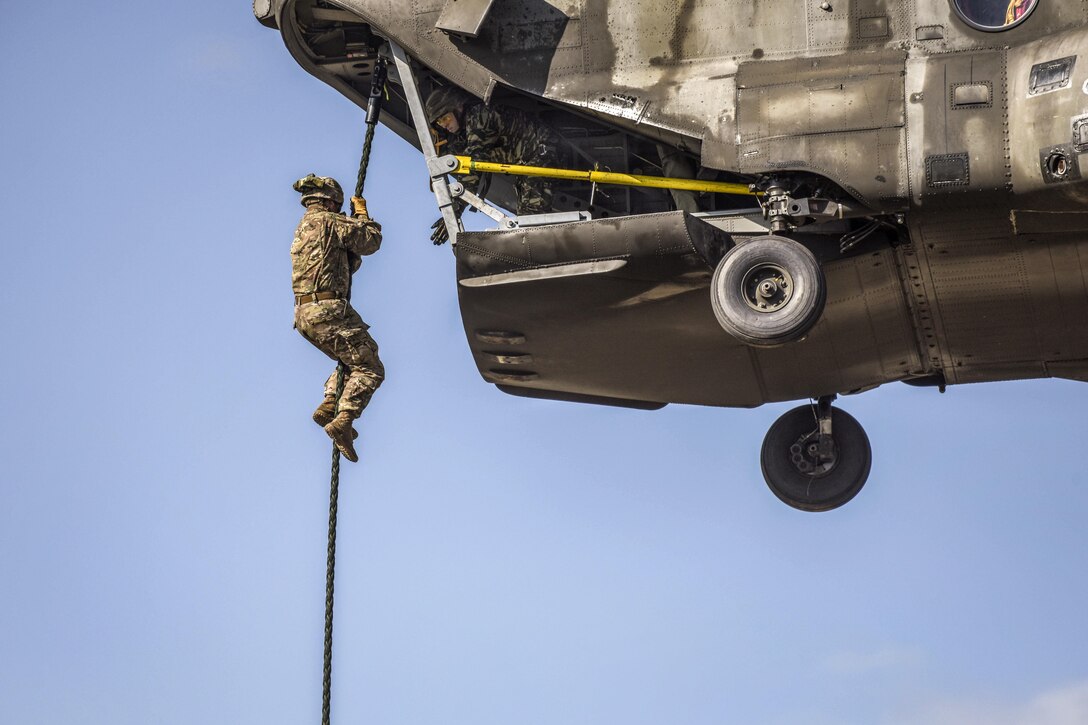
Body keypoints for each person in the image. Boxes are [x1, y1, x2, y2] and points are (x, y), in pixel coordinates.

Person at [291, 174, 384, 463]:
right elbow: (370, 241)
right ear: (332, 201)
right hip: (328, 309)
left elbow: (344, 264)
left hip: (305, 315)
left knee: (350, 359)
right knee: (370, 368)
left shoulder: (304, 227)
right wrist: (362, 215)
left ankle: (331, 399)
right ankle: (344, 419)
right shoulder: (331, 222)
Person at [424, 86, 561, 243]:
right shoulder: (467, 128)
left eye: (446, 118)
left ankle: (541, 250)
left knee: (531, 217)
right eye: (440, 122)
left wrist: (453, 212)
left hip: (541, 152)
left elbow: (474, 167)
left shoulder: (479, 117)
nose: (444, 125)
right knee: (526, 218)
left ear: (458, 108)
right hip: (527, 163)